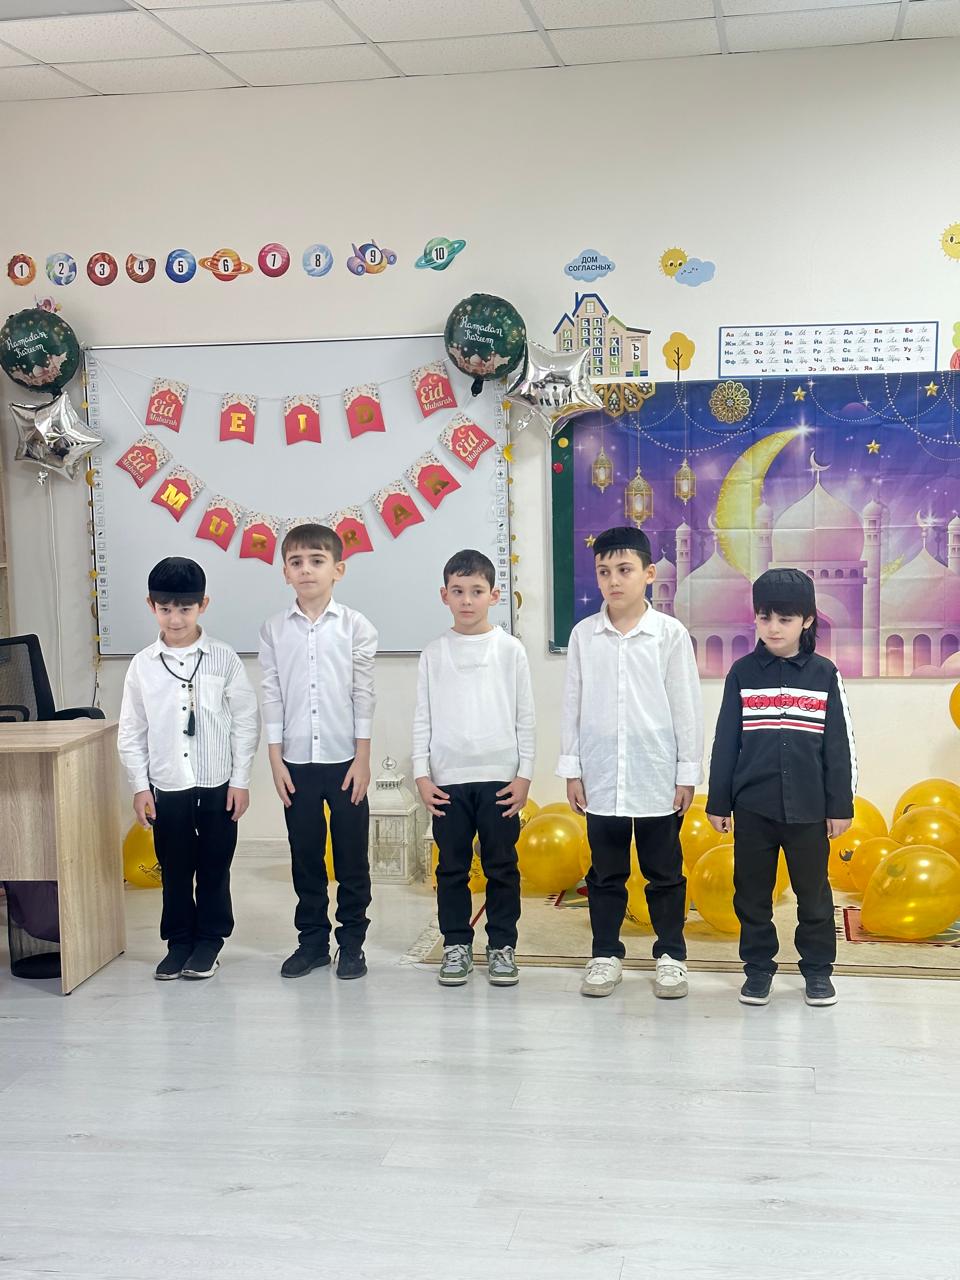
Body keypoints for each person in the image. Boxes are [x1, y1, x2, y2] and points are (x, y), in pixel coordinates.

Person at [558, 527, 703, 1000]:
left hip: (655, 772)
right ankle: (605, 954)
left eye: (624, 570)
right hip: (602, 774)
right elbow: (572, 704)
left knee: (665, 872)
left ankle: (671, 956)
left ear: (649, 574)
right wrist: (572, 768)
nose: (614, 581)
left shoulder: (669, 634)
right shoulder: (584, 635)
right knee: (605, 874)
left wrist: (686, 772)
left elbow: (686, 706)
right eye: (604, 572)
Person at [706, 568, 856, 1008]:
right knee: (752, 895)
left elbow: (839, 745)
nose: (773, 627)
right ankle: (757, 969)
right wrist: (718, 801)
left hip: (810, 809)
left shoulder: (825, 674)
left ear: (807, 620)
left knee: (814, 896)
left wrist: (840, 805)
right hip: (753, 808)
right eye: (765, 617)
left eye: (785, 619)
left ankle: (818, 971)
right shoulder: (742, 674)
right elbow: (725, 740)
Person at [118, 557, 260, 981]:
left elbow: (246, 721)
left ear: (203, 605)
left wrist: (241, 781)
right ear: (151, 606)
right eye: (165, 609)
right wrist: (140, 786)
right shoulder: (143, 665)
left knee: (215, 866)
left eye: (185, 608)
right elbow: (132, 729)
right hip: (168, 785)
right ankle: (179, 942)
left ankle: (210, 942)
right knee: (175, 869)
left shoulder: (223, 658)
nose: (175, 618)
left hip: (217, 784)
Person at [259, 523, 376, 981]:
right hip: (295, 763)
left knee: (351, 858)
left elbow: (363, 694)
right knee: (305, 856)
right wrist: (275, 758)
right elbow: (272, 694)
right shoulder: (273, 630)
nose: (306, 570)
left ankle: (352, 944)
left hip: (346, 760)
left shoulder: (356, 627)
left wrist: (362, 758)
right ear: (285, 572)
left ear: (337, 570)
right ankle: (311, 943)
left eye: (316, 561)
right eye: (296, 562)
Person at [413, 549, 535, 987]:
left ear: (494, 595)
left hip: (500, 778)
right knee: (452, 868)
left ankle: (502, 945)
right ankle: (456, 944)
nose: (467, 600)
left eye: (477, 591)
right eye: (458, 591)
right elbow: (423, 718)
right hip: (448, 780)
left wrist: (524, 774)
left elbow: (525, 716)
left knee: (502, 866)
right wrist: (422, 774)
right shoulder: (433, 653)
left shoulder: (510, 649)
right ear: (444, 595)